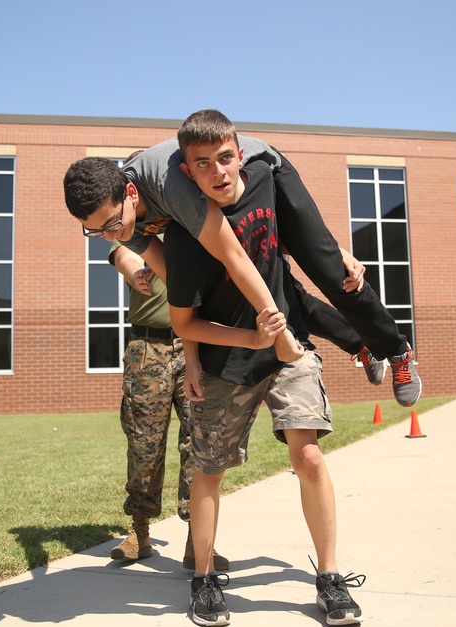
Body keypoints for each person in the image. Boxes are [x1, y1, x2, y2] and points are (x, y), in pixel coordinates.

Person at [62, 111, 421, 406]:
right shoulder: (127, 226)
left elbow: (234, 256)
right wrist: (192, 358)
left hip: (264, 174)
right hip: (220, 200)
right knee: (270, 291)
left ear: (129, 192)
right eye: (95, 231)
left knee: (332, 271)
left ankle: (397, 351)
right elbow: (180, 290)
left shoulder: (171, 185)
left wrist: (282, 336)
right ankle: (360, 344)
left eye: (111, 223)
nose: (111, 236)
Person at [164, 113, 365, 627]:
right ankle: (204, 580)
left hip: (287, 348)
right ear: (188, 172)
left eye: (225, 157)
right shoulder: (187, 235)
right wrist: (214, 350)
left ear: (240, 155)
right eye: (203, 164)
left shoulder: (267, 183)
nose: (218, 172)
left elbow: (303, 232)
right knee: (208, 471)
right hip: (224, 361)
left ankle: (330, 577)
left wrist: (336, 251)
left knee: (311, 455)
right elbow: (185, 321)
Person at [107, 238, 229, 572]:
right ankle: (139, 532)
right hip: (148, 348)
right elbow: (122, 255)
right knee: (144, 444)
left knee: (201, 442)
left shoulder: (194, 223)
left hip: (199, 346)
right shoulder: (139, 228)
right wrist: (135, 274)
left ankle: (198, 540)